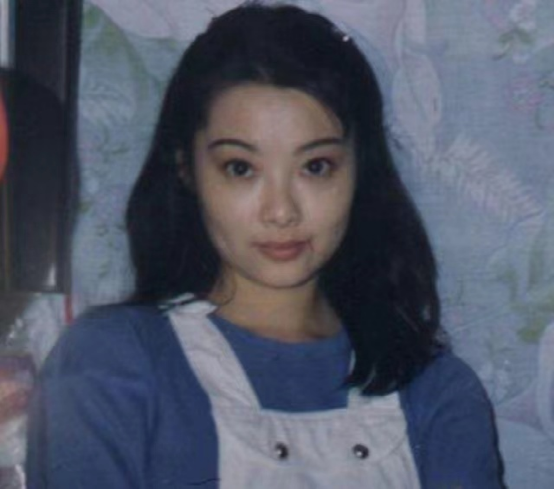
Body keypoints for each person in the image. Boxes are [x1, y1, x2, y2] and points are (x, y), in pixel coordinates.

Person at [25, 3, 504, 488]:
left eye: (316, 167)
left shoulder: (435, 390)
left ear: (361, 170)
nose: (281, 211)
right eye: (240, 168)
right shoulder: (110, 364)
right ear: (186, 169)